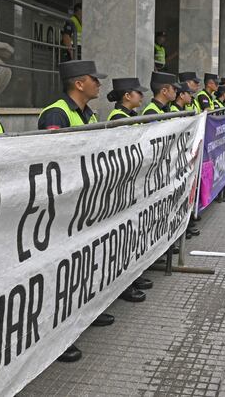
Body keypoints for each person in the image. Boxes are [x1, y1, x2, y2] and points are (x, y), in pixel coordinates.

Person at [37, 60, 128, 363]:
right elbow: (53, 161)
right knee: (61, 272)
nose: (99, 85)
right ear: (78, 84)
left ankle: (83, 316)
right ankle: (57, 338)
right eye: (94, 79)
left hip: (85, 204)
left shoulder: (87, 113)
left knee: (84, 262)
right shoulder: (56, 114)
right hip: (62, 208)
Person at [38, 60, 105, 130]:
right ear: (79, 85)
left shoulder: (89, 113)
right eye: (94, 79)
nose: (99, 84)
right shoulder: (55, 115)